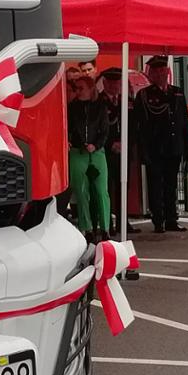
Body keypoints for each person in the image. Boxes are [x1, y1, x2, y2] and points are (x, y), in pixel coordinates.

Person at [135, 55, 188, 233]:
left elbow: (184, 120)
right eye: (156, 72)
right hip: (155, 148)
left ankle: (171, 218)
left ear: (167, 72)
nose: (160, 74)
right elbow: (141, 126)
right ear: (151, 74)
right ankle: (158, 220)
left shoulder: (176, 92)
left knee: (171, 185)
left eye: (163, 71)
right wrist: (143, 150)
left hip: (173, 146)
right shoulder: (145, 95)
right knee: (155, 185)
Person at [65, 62, 112, 241]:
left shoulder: (100, 106)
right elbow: (68, 128)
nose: (78, 91)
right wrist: (69, 141)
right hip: (78, 152)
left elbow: (105, 130)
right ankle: (87, 227)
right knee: (81, 190)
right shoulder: (72, 107)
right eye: (76, 88)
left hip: (96, 152)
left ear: (90, 88)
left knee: (101, 190)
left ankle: (105, 226)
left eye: (81, 88)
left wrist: (96, 144)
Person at [98, 67, 138, 235]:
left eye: (117, 83)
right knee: (106, 188)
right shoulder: (99, 101)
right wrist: (110, 144)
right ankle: (107, 223)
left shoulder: (126, 101)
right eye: (111, 82)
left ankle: (123, 221)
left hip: (124, 150)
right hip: (106, 151)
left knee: (123, 186)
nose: (114, 86)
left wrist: (126, 143)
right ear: (105, 83)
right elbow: (99, 128)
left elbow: (134, 126)